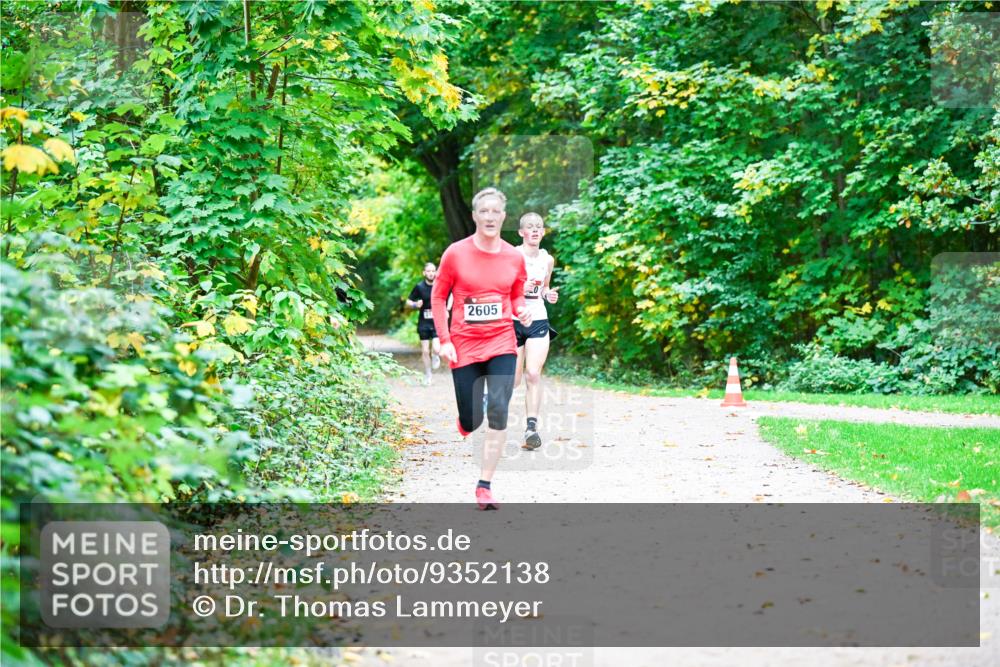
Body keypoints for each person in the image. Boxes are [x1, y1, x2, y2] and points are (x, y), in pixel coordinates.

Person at [431, 187, 532, 510]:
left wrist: (521, 309)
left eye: (495, 211)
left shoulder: (514, 256)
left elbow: (516, 294)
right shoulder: (455, 254)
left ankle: (484, 485)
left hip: (502, 339)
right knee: (472, 418)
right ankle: (467, 418)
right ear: (475, 216)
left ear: (504, 216)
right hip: (464, 344)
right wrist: (444, 339)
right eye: (483, 211)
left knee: (500, 408)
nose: (490, 217)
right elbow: (437, 297)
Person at [512, 212, 559, 450]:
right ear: (521, 232)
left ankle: (531, 428)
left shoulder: (547, 260)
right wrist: (520, 287)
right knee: (514, 380)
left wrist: (547, 295)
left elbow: (545, 288)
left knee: (533, 374)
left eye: (538, 227)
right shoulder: (512, 256)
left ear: (543, 232)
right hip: (513, 320)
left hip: (538, 319)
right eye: (530, 227)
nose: (534, 230)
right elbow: (501, 288)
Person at [405, 262, 441, 386]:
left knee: (436, 349)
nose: (431, 273)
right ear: (424, 273)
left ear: (436, 272)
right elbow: (408, 301)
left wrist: (446, 309)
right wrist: (415, 304)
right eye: (429, 271)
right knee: (425, 351)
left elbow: (449, 296)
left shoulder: (439, 285)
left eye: (433, 271)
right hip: (424, 322)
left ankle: (436, 356)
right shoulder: (419, 287)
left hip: (437, 321)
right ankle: (428, 375)